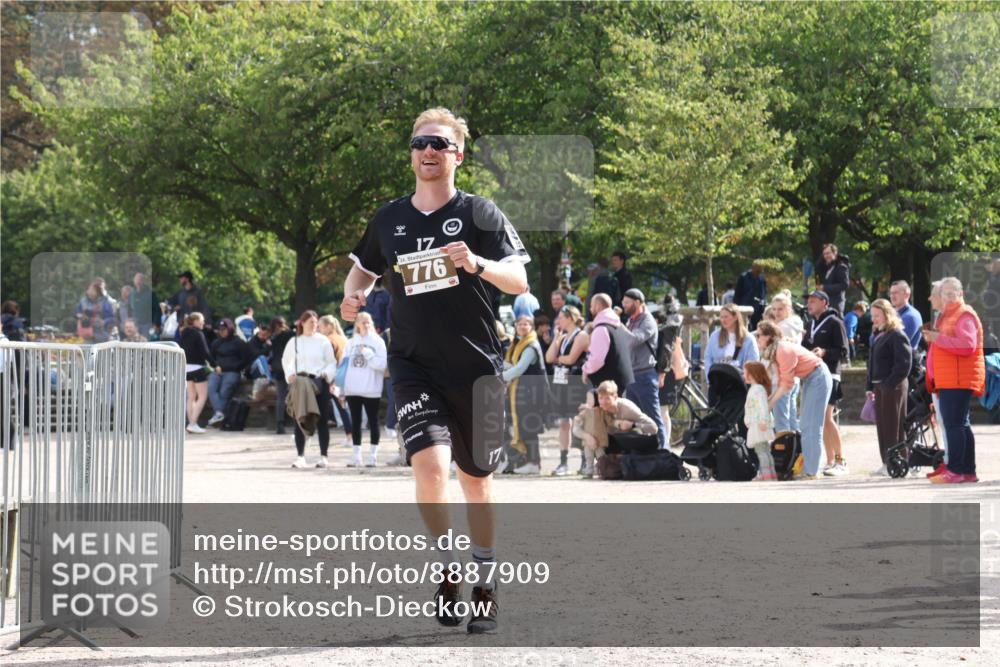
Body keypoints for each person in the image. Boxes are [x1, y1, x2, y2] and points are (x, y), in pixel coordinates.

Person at [340, 107, 529, 633]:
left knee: (477, 483)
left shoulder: (481, 215)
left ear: (457, 156)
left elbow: (518, 280)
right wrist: (352, 299)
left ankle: (485, 583)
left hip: (478, 368)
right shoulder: (389, 220)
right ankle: (447, 572)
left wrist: (478, 264)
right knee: (431, 469)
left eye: (439, 144)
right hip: (413, 364)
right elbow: (363, 272)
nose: (427, 151)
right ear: (412, 152)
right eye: (419, 142)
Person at [924, 277, 985, 484]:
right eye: (945, 294)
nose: (948, 297)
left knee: (954, 425)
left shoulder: (963, 315)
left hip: (958, 379)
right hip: (953, 378)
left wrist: (937, 338)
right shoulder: (950, 315)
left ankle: (957, 470)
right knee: (961, 424)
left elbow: (968, 345)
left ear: (961, 294)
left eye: (952, 293)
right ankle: (967, 471)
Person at [755, 321, 833, 479]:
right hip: (811, 378)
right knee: (806, 425)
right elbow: (777, 382)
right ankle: (807, 468)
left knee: (811, 426)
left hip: (818, 376)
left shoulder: (783, 350)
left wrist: (770, 403)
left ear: (769, 337)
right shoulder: (774, 350)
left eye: (759, 335)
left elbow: (786, 384)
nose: (756, 337)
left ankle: (811, 471)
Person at [282, 310, 338, 469]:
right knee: (299, 419)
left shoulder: (323, 341)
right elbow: (286, 361)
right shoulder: (294, 342)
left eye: (315, 323)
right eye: (311, 322)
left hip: (319, 383)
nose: (314, 325)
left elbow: (331, 362)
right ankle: (300, 456)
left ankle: (323, 456)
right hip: (300, 384)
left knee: (322, 421)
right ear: (302, 323)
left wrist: (326, 374)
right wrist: (290, 374)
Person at [801, 290, 849, 476]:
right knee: (821, 419)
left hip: (831, 375)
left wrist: (825, 352)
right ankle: (830, 462)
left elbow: (844, 352)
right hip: (812, 377)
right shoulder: (809, 323)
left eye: (813, 301)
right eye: (808, 301)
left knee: (827, 418)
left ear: (824, 302)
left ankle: (841, 460)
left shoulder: (836, 323)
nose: (809, 304)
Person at [866, 299, 913, 476]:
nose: (874, 319)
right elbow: (871, 363)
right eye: (872, 316)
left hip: (893, 386)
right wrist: (869, 385)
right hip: (880, 386)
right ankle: (887, 462)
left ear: (887, 314)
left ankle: (898, 462)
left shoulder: (896, 334)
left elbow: (904, 364)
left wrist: (889, 383)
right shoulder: (878, 334)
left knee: (894, 425)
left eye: (877, 315)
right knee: (883, 426)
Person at [572, 380, 657, 478]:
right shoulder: (596, 408)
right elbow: (575, 429)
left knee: (635, 432)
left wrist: (633, 425)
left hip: (623, 441)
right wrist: (587, 437)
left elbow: (653, 427)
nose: (603, 402)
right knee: (582, 430)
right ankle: (591, 464)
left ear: (615, 397)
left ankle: (626, 461)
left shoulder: (627, 408)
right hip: (602, 440)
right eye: (601, 398)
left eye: (607, 398)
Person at [619, 288, 667, 450]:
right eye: (623, 302)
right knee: (632, 418)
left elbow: (633, 340)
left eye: (627, 302)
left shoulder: (647, 321)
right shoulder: (631, 320)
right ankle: (639, 451)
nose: (624, 305)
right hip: (631, 375)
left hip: (645, 375)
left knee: (653, 416)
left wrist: (618, 324)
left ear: (638, 303)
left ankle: (664, 451)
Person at [545, 305, 590, 476]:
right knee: (564, 423)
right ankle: (563, 461)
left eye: (561, 317)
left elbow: (571, 359)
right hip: (562, 383)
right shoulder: (563, 337)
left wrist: (558, 359)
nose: (558, 321)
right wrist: (556, 340)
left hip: (577, 383)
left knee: (579, 422)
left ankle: (585, 460)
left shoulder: (582, 335)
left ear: (571, 317)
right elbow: (549, 358)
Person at [501, 315, 548, 474]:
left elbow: (519, 369)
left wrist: (500, 377)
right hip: (520, 392)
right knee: (522, 426)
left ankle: (534, 463)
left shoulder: (530, 346)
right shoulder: (518, 344)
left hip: (531, 393)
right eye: (519, 323)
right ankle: (527, 461)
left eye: (526, 324)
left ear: (532, 327)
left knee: (529, 427)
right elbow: (511, 364)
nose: (522, 326)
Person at [341, 312, 387, 467]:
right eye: (362, 321)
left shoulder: (378, 341)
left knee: (373, 422)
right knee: (355, 422)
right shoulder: (351, 342)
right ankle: (356, 455)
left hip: (371, 388)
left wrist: (367, 353)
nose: (365, 324)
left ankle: (373, 455)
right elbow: (344, 365)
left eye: (368, 321)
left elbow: (382, 365)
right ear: (357, 324)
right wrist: (341, 388)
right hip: (352, 389)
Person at [582, 293, 635, 398]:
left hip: (607, 386)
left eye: (591, 305)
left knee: (603, 414)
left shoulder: (601, 329)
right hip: (620, 381)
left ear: (598, 306)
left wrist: (586, 369)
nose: (590, 308)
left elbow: (597, 359)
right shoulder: (617, 326)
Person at [767, 293, 803, 433]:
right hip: (794, 377)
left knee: (782, 421)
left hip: (783, 377)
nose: (776, 312)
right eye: (774, 309)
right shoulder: (796, 324)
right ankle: (798, 451)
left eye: (780, 309)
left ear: (788, 309)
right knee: (791, 419)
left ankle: (786, 452)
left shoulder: (783, 327)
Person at [701, 303, 760, 387]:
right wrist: (710, 380)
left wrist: (744, 380)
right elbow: (708, 358)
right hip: (718, 384)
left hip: (738, 385)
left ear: (735, 317)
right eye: (721, 317)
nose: (723, 320)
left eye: (726, 317)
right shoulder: (715, 336)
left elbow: (753, 362)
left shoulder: (748, 339)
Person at [207, 318, 253, 426]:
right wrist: (215, 366)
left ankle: (218, 415)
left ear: (230, 329)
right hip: (218, 371)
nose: (222, 331)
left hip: (232, 372)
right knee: (211, 387)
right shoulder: (216, 343)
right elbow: (211, 357)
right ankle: (219, 413)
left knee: (224, 391)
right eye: (220, 329)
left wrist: (236, 367)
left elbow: (245, 358)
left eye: (224, 329)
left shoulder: (238, 342)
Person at [318, 314, 353, 447]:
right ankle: (351, 436)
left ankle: (351, 437)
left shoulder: (327, 340)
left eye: (320, 327)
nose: (319, 329)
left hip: (333, 378)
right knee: (345, 407)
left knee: (341, 408)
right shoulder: (343, 339)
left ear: (328, 326)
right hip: (347, 376)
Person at [179, 312, 213, 434]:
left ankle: (191, 423)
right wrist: (215, 365)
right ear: (195, 321)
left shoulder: (183, 333)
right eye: (201, 320)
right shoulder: (198, 333)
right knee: (202, 396)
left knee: (191, 397)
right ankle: (192, 423)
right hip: (197, 368)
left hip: (186, 368)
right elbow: (205, 352)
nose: (203, 322)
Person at [743, 361, 777, 481]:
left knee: (761, 451)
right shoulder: (758, 389)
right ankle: (771, 474)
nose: (743, 375)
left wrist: (763, 420)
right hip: (760, 423)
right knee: (766, 450)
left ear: (751, 375)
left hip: (758, 424)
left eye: (745, 373)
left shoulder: (756, 389)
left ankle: (766, 475)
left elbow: (762, 406)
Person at [268, 317, 295, 435]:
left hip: (278, 368)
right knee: (295, 395)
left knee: (280, 397)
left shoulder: (273, 338)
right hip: (290, 367)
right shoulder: (289, 334)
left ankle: (280, 424)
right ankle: (298, 423)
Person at [814, 244, 851, 315]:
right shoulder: (827, 267)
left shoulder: (841, 266)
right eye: (824, 254)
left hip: (836, 304)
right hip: (827, 302)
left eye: (828, 253)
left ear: (835, 253)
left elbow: (845, 285)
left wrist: (824, 287)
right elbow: (817, 266)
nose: (826, 256)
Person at [889, 281, 924, 352]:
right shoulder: (894, 313)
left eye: (896, 293)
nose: (892, 296)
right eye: (891, 293)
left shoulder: (911, 316)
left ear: (907, 295)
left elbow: (895, 343)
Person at [734, 261, 767, 329]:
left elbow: (763, 294)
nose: (758, 273)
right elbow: (737, 294)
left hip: (757, 310)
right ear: (753, 268)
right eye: (757, 271)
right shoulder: (743, 277)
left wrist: (763, 306)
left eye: (760, 271)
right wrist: (736, 308)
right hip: (744, 309)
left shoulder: (762, 279)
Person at [128, 273, 157, 337]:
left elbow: (156, 309)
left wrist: (156, 323)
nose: (138, 281)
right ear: (134, 281)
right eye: (136, 280)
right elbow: (129, 310)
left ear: (143, 281)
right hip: (134, 325)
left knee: (145, 344)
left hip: (147, 324)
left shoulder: (150, 293)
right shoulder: (131, 294)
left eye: (140, 279)